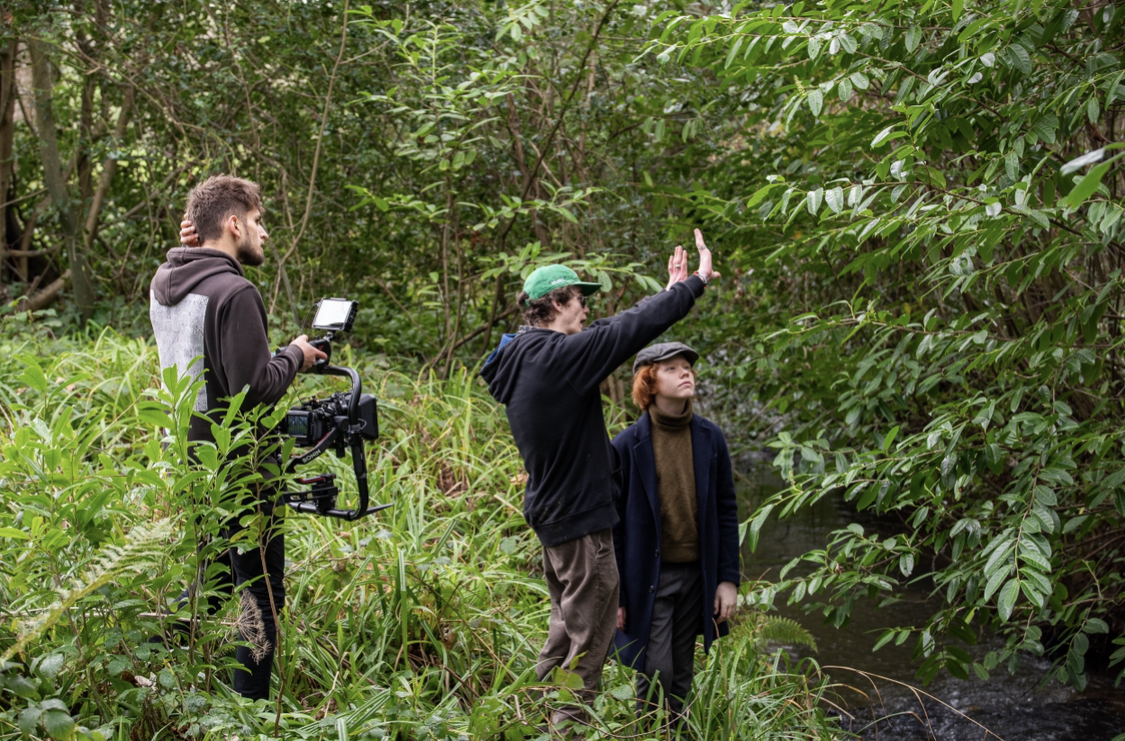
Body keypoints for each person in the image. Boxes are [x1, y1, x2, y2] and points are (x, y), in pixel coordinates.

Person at [479, 230, 718, 733]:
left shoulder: (523, 358)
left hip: (555, 522)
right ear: (557, 303)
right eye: (580, 300)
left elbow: (618, 327)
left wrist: (669, 291)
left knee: (564, 638)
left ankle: (528, 725)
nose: (586, 309)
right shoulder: (558, 359)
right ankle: (564, 731)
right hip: (582, 527)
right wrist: (691, 285)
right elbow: (627, 329)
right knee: (590, 647)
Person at [149, 174, 325, 700]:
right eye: (257, 220)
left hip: (194, 459)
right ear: (232, 224)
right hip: (243, 468)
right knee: (260, 595)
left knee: (216, 580)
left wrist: (195, 245)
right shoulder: (236, 292)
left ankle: (149, 665)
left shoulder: (164, 280)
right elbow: (253, 391)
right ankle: (250, 715)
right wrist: (296, 354)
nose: (264, 232)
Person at [610, 342, 740, 725]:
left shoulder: (710, 437)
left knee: (681, 673)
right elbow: (614, 527)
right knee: (655, 669)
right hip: (649, 578)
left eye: (687, 367)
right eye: (672, 368)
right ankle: (649, 732)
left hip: (697, 576)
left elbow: (726, 510)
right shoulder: (626, 446)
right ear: (649, 382)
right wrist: (618, 595)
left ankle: (676, 733)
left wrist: (727, 580)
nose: (686, 372)